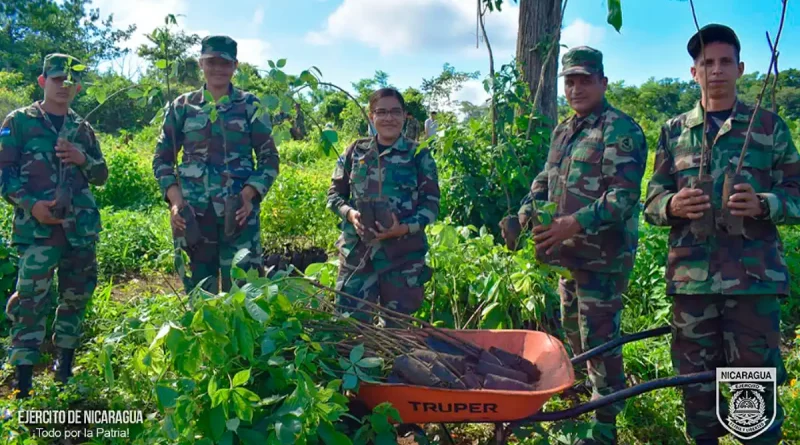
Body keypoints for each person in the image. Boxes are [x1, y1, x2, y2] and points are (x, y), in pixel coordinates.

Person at [644, 24, 798, 445]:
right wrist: (671, 206)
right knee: (697, 392)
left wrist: (766, 203)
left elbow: (796, 194)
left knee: (752, 397)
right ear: (693, 72)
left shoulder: (768, 126)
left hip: (752, 285)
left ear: (741, 68)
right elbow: (652, 202)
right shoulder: (674, 131)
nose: (716, 70)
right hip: (691, 286)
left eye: (724, 61)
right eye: (706, 63)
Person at [503, 46, 647, 444]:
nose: (577, 87)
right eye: (570, 80)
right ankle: (586, 398)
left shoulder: (620, 129)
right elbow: (545, 179)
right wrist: (524, 213)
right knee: (576, 335)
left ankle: (604, 427)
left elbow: (623, 197)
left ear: (603, 82)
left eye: (585, 79)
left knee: (600, 339)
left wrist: (572, 224)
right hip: (567, 257)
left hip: (603, 258)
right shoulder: (564, 129)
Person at [0, 54, 108, 398]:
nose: (63, 86)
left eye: (69, 81)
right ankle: (24, 381)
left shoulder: (82, 127)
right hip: (38, 231)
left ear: (77, 86)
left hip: (80, 230)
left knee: (75, 298)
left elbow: (101, 175)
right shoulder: (19, 122)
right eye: (56, 79)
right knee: (30, 301)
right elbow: (5, 174)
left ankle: (64, 367)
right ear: (42, 81)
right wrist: (32, 206)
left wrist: (82, 158)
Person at [153, 36, 279, 294]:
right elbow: (162, 159)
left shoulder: (250, 105)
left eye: (225, 63)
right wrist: (176, 202)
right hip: (194, 216)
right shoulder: (182, 106)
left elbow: (269, 159)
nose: (218, 68)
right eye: (212, 62)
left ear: (235, 66)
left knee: (244, 294)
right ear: (201, 63)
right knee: (201, 297)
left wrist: (248, 195)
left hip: (239, 215)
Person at [327, 88, 439, 325]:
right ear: (371, 116)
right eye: (382, 112)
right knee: (351, 327)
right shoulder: (355, 152)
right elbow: (335, 196)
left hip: (402, 257)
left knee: (398, 330)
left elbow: (431, 205)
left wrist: (404, 228)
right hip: (357, 255)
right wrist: (350, 215)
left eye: (395, 112)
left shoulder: (419, 154)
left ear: (405, 116)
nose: (389, 118)